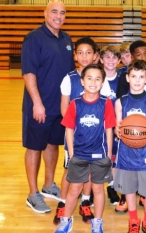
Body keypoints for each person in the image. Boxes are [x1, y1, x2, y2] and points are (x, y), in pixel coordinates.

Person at [21, 0, 75, 214]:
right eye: (54, 12)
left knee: (53, 144)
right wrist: (37, 103)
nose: (58, 16)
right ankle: (33, 193)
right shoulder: (34, 38)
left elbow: (71, 74)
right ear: (45, 13)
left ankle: (48, 184)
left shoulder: (66, 39)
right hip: (39, 106)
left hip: (59, 106)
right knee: (34, 147)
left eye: (62, 13)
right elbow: (29, 73)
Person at [55, 64, 115, 233]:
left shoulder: (106, 103)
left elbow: (109, 129)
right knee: (74, 189)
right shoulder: (75, 103)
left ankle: (98, 222)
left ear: (102, 83)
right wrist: (72, 153)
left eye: (98, 79)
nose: (93, 82)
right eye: (89, 78)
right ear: (82, 81)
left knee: (98, 189)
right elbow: (69, 129)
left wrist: (109, 154)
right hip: (79, 154)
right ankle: (66, 221)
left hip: (100, 154)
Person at [53, 37, 99, 225]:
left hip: (95, 135)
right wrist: (76, 128)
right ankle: (63, 204)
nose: (84, 56)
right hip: (75, 135)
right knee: (70, 170)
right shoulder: (69, 78)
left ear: (95, 55)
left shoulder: (98, 76)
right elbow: (64, 109)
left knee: (89, 171)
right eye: (80, 52)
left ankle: (85, 202)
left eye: (88, 52)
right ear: (75, 55)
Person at [114, 59, 146, 233]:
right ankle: (133, 220)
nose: (137, 80)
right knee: (129, 190)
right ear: (127, 78)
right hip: (126, 155)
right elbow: (117, 128)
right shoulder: (120, 102)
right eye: (133, 76)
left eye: (141, 76)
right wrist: (118, 131)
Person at [99, 45, 124, 211]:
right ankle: (96, 187)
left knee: (115, 158)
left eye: (114, 57)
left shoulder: (123, 77)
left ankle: (113, 186)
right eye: (107, 57)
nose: (110, 60)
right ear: (101, 60)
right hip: (99, 126)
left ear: (119, 60)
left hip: (117, 126)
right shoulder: (96, 77)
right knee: (99, 158)